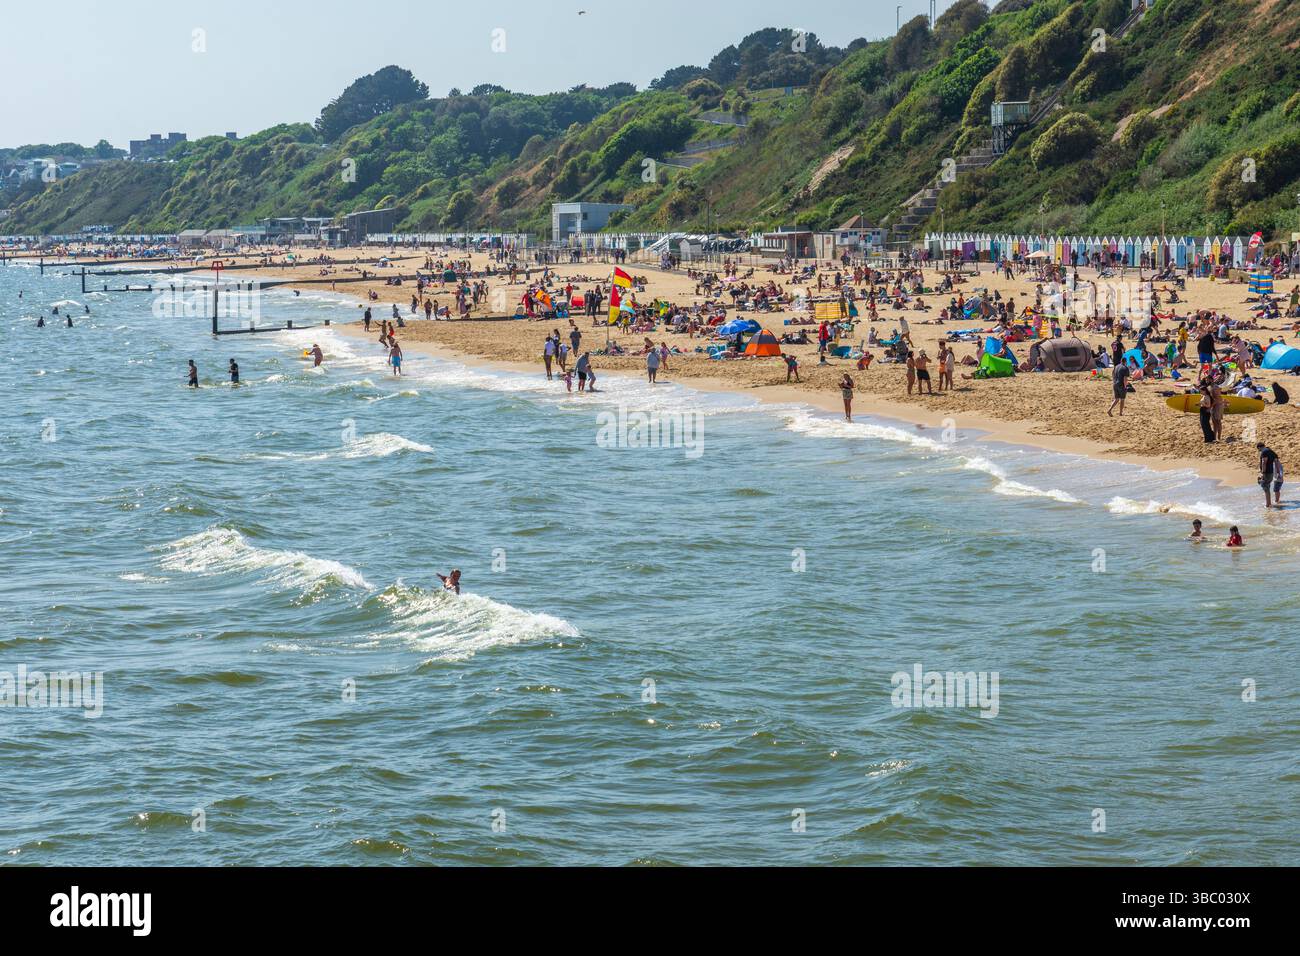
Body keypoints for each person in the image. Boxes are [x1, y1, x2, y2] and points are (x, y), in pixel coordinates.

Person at [1258, 443, 1281, 508]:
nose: (1260, 451)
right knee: (1266, 486)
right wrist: (1278, 472)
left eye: (1259, 450)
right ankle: (1269, 503)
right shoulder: (1273, 453)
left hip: (1266, 473)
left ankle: (1268, 504)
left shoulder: (1264, 452)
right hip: (1271, 473)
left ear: (1260, 447)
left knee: (1266, 488)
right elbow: (1276, 462)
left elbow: (1264, 462)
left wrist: (1263, 472)